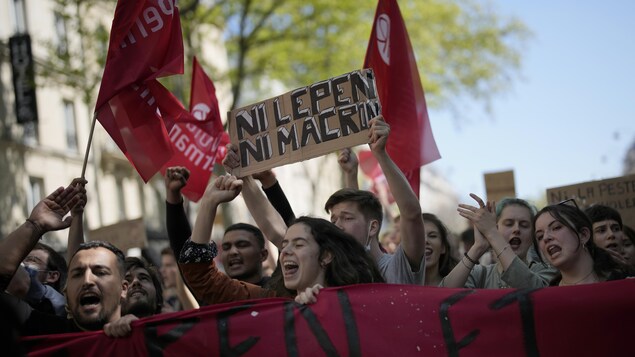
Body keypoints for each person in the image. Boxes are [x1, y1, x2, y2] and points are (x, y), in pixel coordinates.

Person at [179, 175, 383, 305]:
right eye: (284, 246)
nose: (285, 252)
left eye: (299, 244)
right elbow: (202, 279)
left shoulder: (363, 299)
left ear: (326, 255)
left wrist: (326, 307)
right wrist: (208, 203)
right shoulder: (274, 302)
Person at [325, 116, 426, 285]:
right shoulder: (337, 273)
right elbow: (356, 211)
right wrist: (351, 174)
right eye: (333, 220)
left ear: (373, 227)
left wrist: (380, 153)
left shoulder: (397, 267)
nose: (337, 226)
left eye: (346, 218)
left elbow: (412, 214)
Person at [441, 195, 556, 288]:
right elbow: (443, 295)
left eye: (524, 225)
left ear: (533, 235)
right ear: (496, 228)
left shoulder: (547, 271)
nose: (516, 229)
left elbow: (533, 291)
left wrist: (492, 233)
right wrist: (478, 247)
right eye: (509, 224)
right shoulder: (480, 274)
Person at [534, 201, 632, 285]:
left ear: (584, 235)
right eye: (540, 236)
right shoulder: (547, 299)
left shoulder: (626, 283)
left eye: (556, 228)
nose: (546, 238)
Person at [421, 213, 458, 286]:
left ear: (443, 247)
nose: (425, 241)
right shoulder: (396, 283)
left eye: (432, 236)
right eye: (419, 236)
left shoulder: (460, 284)